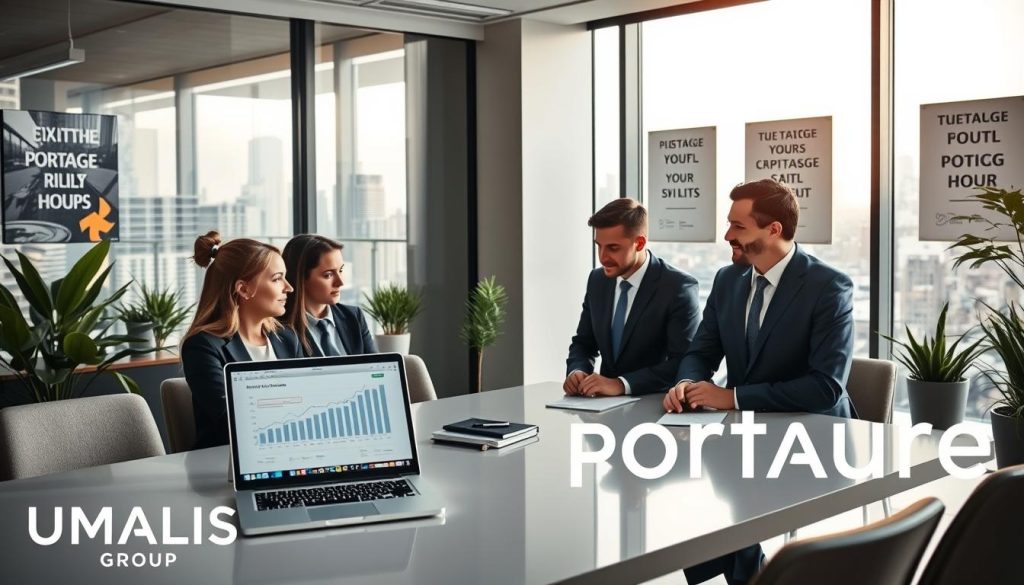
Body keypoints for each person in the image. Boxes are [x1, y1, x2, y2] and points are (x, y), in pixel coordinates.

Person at [664, 178, 855, 585]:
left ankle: (747, 573)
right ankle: (747, 572)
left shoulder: (829, 287)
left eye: (738, 226)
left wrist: (732, 396)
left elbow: (826, 387)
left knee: (721, 490)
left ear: (773, 230)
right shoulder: (728, 280)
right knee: (672, 476)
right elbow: (701, 352)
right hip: (745, 432)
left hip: (813, 435)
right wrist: (687, 384)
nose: (727, 235)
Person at [565, 198, 701, 397]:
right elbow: (584, 343)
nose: (602, 257)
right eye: (598, 246)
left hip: (654, 406)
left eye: (613, 248)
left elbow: (685, 362)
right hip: (601, 408)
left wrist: (622, 384)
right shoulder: (597, 280)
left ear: (640, 243)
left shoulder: (678, 287)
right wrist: (577, 371)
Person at [181, 231, 303, 450]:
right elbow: (233, 420)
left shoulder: (286, 338)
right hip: (225, 465)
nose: (289, 287)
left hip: (289, 452)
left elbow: (305, 402)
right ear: (244, 289)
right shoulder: (203, 347)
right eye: (277, 279)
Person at [281, 234, 377, 358]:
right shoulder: (281, 328)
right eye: (328, 275)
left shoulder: (353, 317)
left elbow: (375, 368)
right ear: (300, 278)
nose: (340, 282)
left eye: (341, 270)